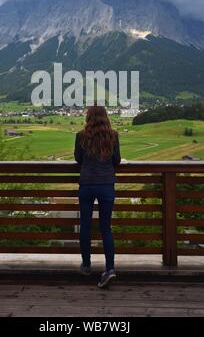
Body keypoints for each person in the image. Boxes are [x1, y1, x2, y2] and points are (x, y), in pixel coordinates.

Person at [74, 105, 121, 288]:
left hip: (86, 184)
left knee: (85, 226)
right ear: (106, 117)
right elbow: (116, 160)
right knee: (106, 228)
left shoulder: (81, 135)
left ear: (88, 117)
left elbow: (78, 158)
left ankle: (86, 265)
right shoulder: (113, 135)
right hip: (106, 185)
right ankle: (110, 269)